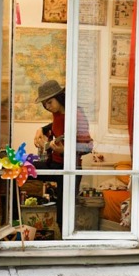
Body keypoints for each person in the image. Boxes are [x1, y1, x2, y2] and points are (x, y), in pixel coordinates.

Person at [33, 79, 93, 234]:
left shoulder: (76, 115)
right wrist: (41, 129)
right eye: (44, 104)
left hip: (70, 169)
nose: (47, 107)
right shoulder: (57, 112)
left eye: (49, 102)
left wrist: (64, 151)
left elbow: (88, 146)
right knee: (21, 170)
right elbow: (56, 126)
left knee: (64, 217)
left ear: (59, 97)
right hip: (55, 164)